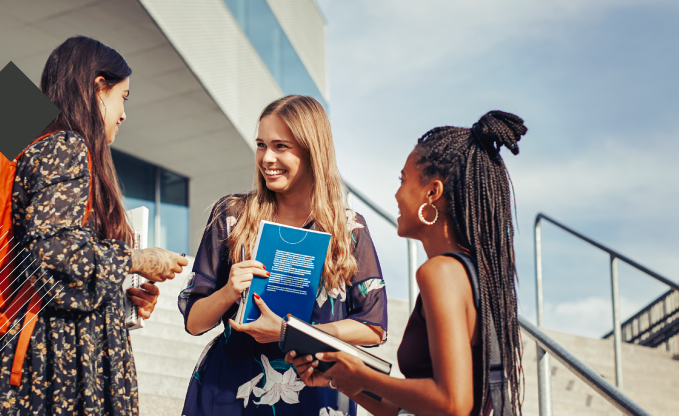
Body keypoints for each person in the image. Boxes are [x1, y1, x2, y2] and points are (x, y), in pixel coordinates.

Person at [0, 35, 189, 416]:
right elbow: (57, 254)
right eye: (123, 97)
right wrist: (137, 259)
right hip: (61, 366)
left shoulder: (35, 143)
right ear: (97, 87)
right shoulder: (65, 147)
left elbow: (50, 255)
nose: (124, 114)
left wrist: (122, 296)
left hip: (53, 355)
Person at [286, 111, 528, 416]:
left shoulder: (441, 273)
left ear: (432, 192)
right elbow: (407, 409)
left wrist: (363, 376)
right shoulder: (476, 274)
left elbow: (453, 402)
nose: (397, 193)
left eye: (403, 180)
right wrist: (346, 381)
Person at [178, 95, 389, 416]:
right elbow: (194, 323)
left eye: (281, 146)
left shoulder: (349, 228)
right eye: (261, 144)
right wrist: (228, 291)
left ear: (311, 151)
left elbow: (373, 328)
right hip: (231, 391)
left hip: (316, 394)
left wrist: (293, 334)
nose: (266, 158)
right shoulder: (232, 215)